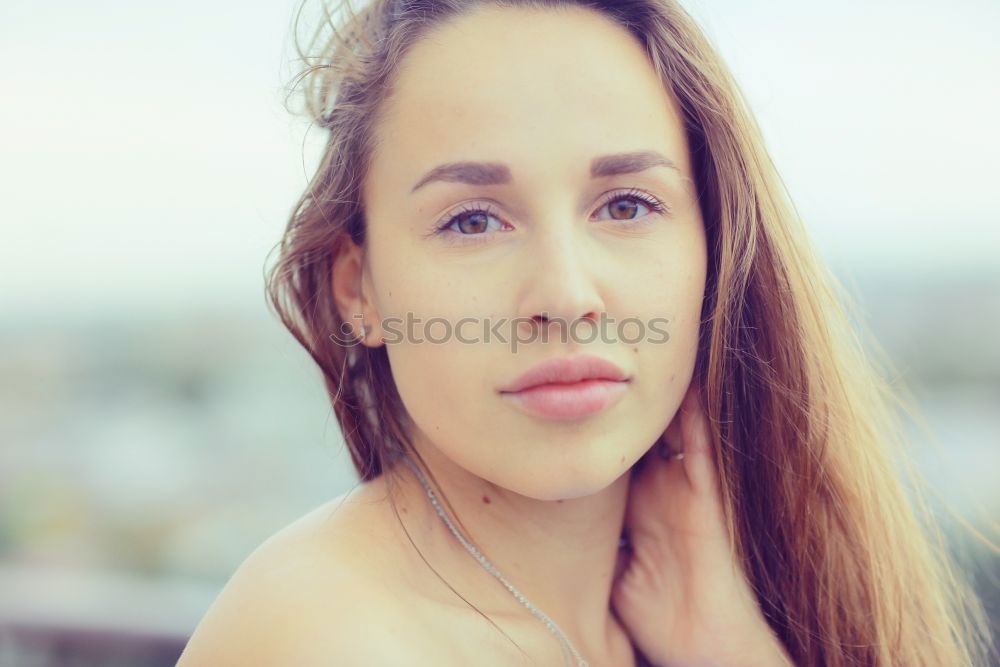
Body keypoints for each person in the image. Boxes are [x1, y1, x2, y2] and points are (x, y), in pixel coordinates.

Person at [178, 1, 994, 665]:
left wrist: (729, 649)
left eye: (627, 205)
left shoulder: (686, 613)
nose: (566, 296)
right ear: (359, 289)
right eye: (471, 221)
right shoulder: (321, 639)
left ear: (714, 242)